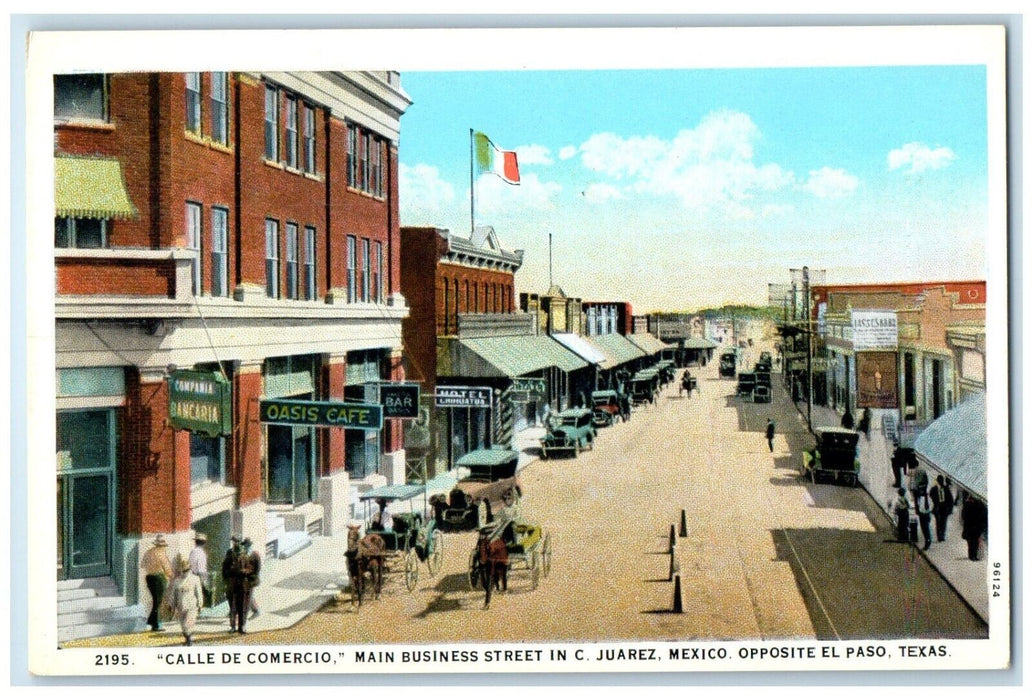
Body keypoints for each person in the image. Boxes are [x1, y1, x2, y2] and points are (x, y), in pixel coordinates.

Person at [141, 534, 173, 631]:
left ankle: (152, 621)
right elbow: (167, 570)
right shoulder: (161, 554)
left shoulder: (148, 552)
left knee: (156, 600)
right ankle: (156, 624)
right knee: (159, 601)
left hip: (149, 577)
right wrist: (172, 577)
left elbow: (142, 565)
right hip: (159, 578)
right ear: (162, 546)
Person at [170, 555, 204, 646]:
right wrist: (172, 605)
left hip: (192, 605)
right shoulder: (177, 581)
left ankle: (189, 640)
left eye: (186, 570)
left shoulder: (195, 579)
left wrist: (200, 604)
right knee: (182, 625)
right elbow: (173, 595)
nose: (185, 572)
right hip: (181, 606)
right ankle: (187, 639)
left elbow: (199, 592)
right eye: (183, 570)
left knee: (188, 624)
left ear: (189, 569)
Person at [234, 538, 261, 634]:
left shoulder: (255, 555)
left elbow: (257, 570)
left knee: (246, 604)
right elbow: (238, 569)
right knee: (242, 605)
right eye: (245, 546)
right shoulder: (242, 556)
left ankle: (244, 625)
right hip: (242, 584)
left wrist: (247, 572)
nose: (246, 547)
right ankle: (241, 626)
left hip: (251, 583)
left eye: (247, 546)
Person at [222, 536, 242, 632]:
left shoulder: (244, 555)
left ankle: (239, 626)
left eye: (236, 541)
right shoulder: (229, 554)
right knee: (233, 607)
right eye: (234, 541)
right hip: (232, 584)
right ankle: (234, 626)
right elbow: (224, 569)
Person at [961, 494, 988, 561]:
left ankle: (972, 556)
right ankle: (974, 556)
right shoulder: (981, 506)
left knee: (971, 542)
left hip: (969, 527)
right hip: (977, 527)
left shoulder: (967, 505)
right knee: (974, 542)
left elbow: (963, 516)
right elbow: (984, 517)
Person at [188, 533, 211, 608]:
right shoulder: (201, 553)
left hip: (192, 574)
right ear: (204, 543)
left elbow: (190, 564)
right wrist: (205, 581)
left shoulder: (192, 552)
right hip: (199, 575)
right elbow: (201, 569)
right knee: (200, 595)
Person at [929, 475, 954, 543]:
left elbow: (951, 500)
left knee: (943, 522)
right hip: (938, 507)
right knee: (939, 522)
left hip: (944, 508)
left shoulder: (946, 489)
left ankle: (942, 535)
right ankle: (940, 536)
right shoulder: (934, 489)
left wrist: (950, 509)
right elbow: (930, 496)